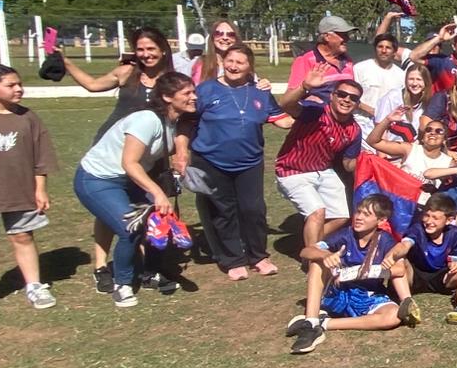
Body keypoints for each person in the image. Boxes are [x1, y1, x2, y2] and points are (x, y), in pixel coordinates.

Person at [73, 72, 197, 308]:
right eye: (187, 93)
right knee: (130, 228)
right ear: (167, 97)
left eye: (193, 91)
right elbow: (129, 163)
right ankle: (123, 285)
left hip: (129, 181)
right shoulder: (146, 120)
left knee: (158, 223)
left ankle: (149, 273)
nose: (194, 97)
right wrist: (158, 193)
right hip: (97, 179)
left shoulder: (173, 121)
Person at [175, 44, 292, 280]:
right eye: (230, 61)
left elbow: (283, 120)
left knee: (253, 209)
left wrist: (310, 104)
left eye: (240, 62)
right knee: (222, 211)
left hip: (249, 162)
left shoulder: (260, 91)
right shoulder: (206, 90)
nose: (234, 66)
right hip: (211, 161)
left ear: (250, 67)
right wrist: (181, 152)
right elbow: (185, 122)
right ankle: (233, 259)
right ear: (222, 62)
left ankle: (258, 256)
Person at [0, 66, 60, 325]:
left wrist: (40, 188)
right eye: (11, 85)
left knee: (22, 236)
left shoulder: (28, 117)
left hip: (20, 191)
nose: (19, 88)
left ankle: (34, 286)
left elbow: (40, 157)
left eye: (19, 83)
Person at [283, 194, 416, 355]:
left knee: (394, 316)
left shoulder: (384, 240)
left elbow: (400, 270)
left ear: (381, 221)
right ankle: (311, 324)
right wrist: (325, 255)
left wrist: (365, 271)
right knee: (317, 261)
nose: (359, 217)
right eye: (358, 212)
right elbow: (306, 251)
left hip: (367, 296)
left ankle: (325, 323)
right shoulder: (345, 234)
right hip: (338, 293)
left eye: (366, 214)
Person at [274, 68, 364, 248]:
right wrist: (304, 87)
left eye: (353, 98)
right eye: (342, 94)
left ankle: (311, 242)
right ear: (332, 96)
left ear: (357, 103)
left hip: (323, 170)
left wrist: (369, 161)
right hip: (292, 170)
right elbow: (286, 105)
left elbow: (347, 164)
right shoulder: (315, 112)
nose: (347, 100)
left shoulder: (354, 129)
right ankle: (312, 261)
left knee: (342, 216)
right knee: (317, 212)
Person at [386, 193, 457, 326]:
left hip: (439, 276)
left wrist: (455, 264)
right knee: (400, 260)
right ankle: (407, 304)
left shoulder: (453, 233)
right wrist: (393, 254)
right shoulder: (417, 229)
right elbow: (404, 245)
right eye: (427, 215)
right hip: (414, 274)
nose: (429, 221)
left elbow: (455, 260)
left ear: (448, 220)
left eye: (435, 218)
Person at [354, 32, 411, 146]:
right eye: (380, 47)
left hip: (389, 127)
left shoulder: (401, 75)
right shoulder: (360, 68)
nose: (384, 50)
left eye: (388, 48)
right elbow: (353, 98)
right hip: (362, 123)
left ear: (394, 52)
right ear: (375, 49)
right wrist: (374, 111)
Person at [286, 14, 358, 103]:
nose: (347, 38)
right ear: (327, 36)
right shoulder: (305, 60)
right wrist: (305, 92)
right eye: (343, 35)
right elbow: (289, 97)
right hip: (315, 114)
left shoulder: (348, 61)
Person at [410, 23, 457, 94]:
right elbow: (414, 56)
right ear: (454, 46)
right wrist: (439, 38)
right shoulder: (442, 62)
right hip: (440, 105)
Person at [373, 62, 433, 132]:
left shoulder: (428, 103)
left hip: (410, 142)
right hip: (384, 141)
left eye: (419, 79)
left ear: (426, 82)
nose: (414, 83)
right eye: (411, 79)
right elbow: (379, 126)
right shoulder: (393, 97)